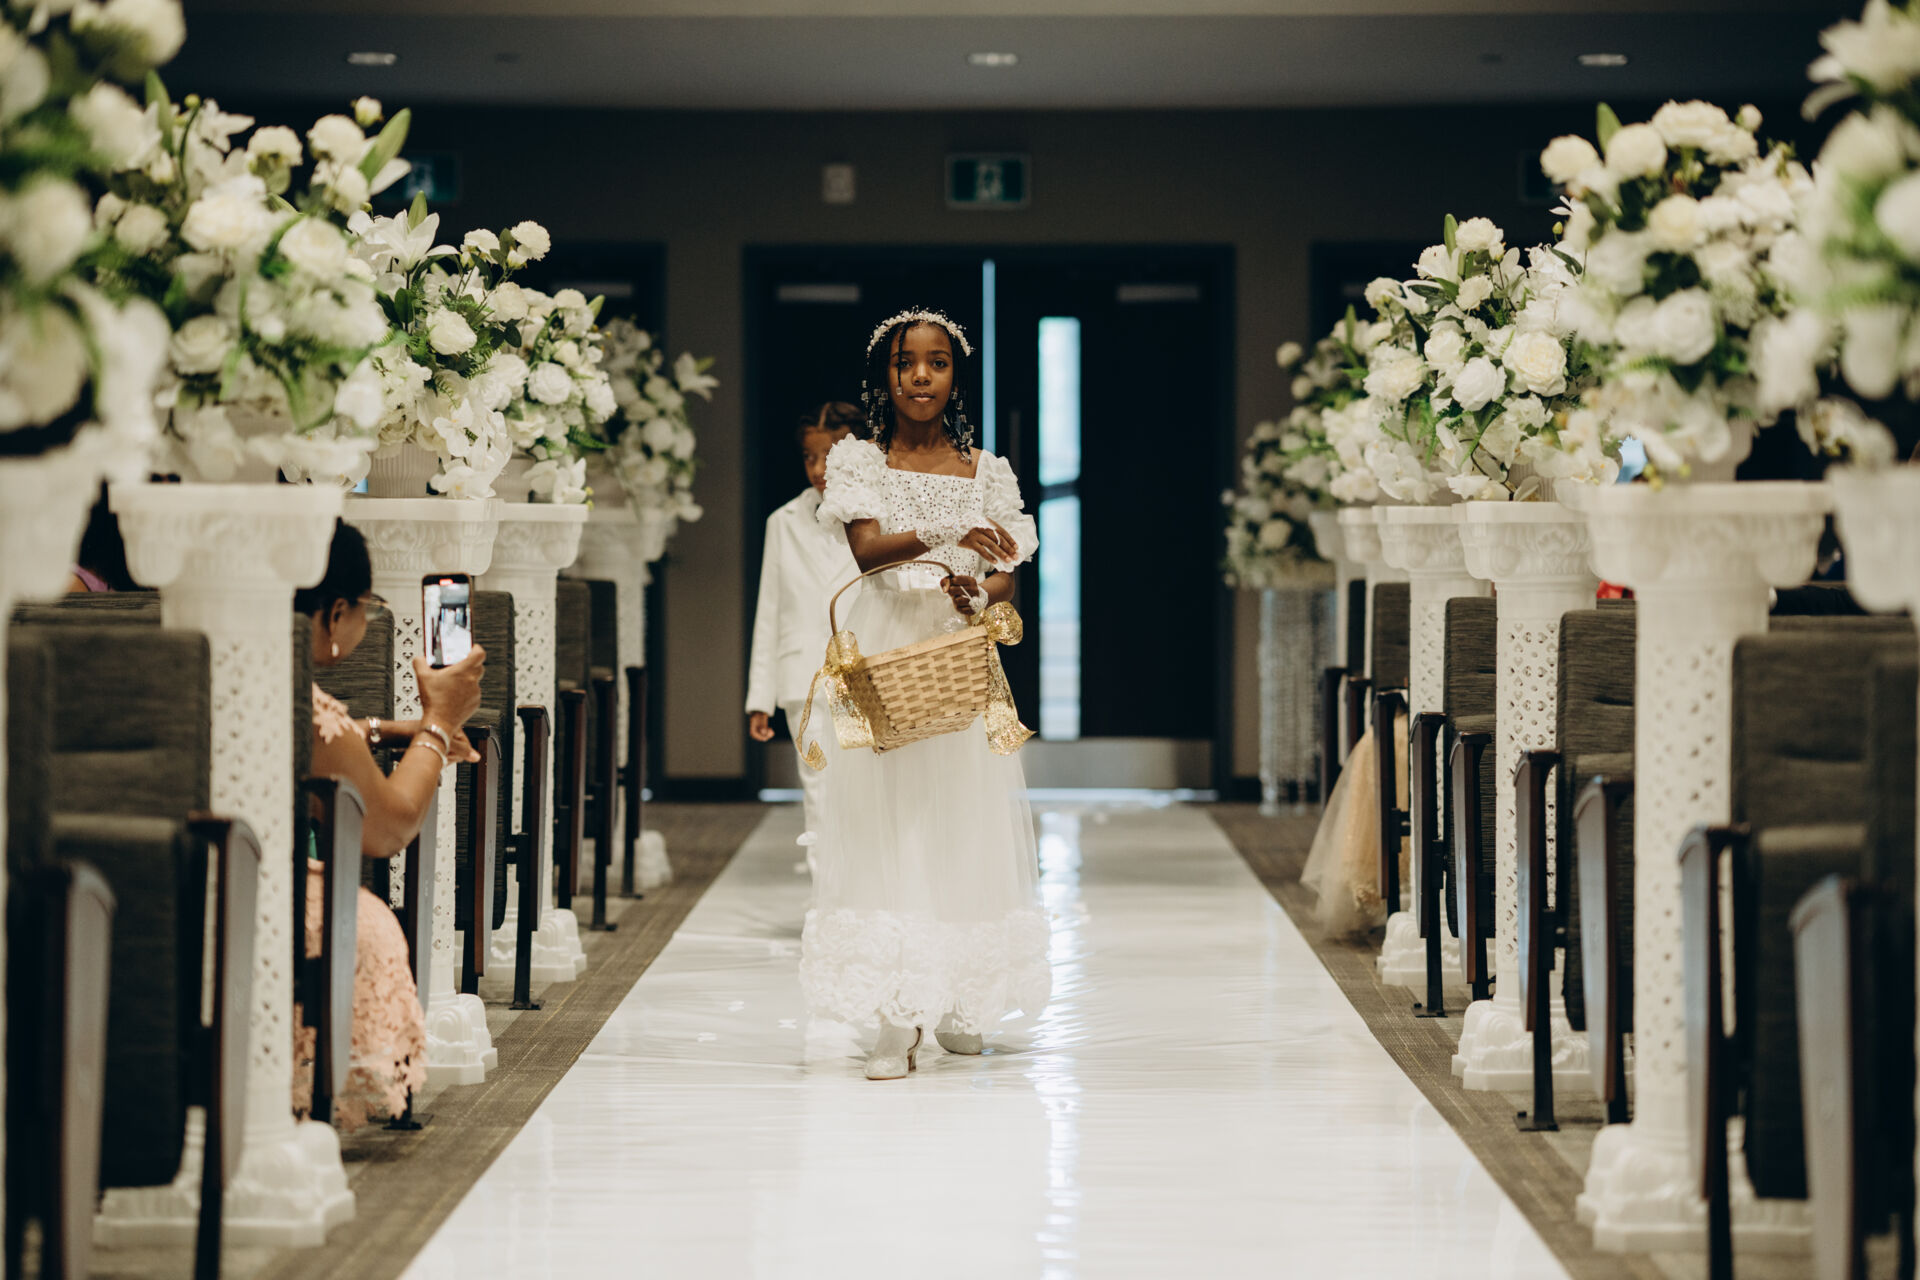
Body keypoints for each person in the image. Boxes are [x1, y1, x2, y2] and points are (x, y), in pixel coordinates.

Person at [804, 308, 1051, 1080]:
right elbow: (868, 551)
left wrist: (979, 591)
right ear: (885, 375)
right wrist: (949, 535)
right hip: (886, 649)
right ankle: (895, 1014)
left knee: (961, 821)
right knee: (888, 826)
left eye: (937, 362)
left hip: (954, 653)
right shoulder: (859, 461)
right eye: (906, 362)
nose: (920, 376)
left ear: (954, 374)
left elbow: (1005, 572)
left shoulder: (987, 470)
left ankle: (958, 1000)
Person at [293, 520, 486, 1129]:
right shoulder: (306, 707)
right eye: (368, 609)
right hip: (264, 897)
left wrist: (384, 731)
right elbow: (389, 828)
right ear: (335, 613)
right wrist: (439, 721)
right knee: (370, 921)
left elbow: (333, 739)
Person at [746, 401, 864, 868]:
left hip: (864, 671)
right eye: (809, 457)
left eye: (827, 457)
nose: (817, 469)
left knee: (862, 787)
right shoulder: (783, 522)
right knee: (817, 787)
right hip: (802, 676)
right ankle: (825, 893)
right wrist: (760, 696)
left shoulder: (876, 517)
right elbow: (770, 609)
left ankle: (863, 887)